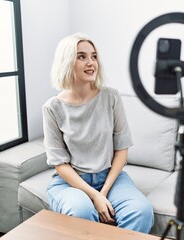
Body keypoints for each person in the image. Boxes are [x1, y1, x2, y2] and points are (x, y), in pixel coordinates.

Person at [42, 32, 154, 233]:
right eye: (81, 56)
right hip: (71, 182)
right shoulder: (52, 108)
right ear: (67, 62)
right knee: (81, 212)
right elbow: (59, 163)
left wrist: (102, 192)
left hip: (110, 176)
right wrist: (93, 196)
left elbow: (121, 150)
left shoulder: (111, 97)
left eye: (94, 56)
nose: (91, 62)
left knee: (141, 211)